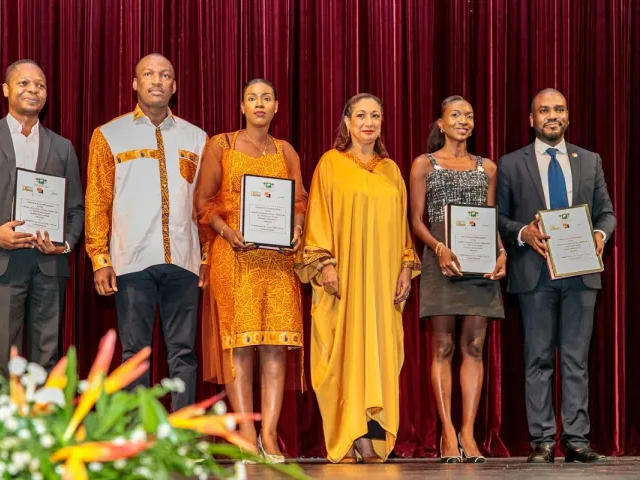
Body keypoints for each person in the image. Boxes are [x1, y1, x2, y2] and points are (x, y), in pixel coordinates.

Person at [296, 93, 420, 464]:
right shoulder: (330, 165)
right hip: (344, 281)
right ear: (347, 121)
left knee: (379, 354)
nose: (369, 122)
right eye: (361, 115)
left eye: (376, 116)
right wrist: (325, 263)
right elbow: (317, 216)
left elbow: (402, 228)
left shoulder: (391, 170)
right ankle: (347, 434)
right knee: (342, 351)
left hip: (381, 283)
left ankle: (369, 435)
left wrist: (405, 269)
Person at [496, 88, 615, 463]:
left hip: (581, 273)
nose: (552, 115)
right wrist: (522, 233)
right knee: (538, 359)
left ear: (568, 116)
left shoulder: (590, 160)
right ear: (532, 119)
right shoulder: (512, 164)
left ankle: (577, 439)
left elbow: (606, 213)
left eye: (559, 109)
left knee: (576, 360)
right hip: (535, 273)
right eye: (544, 110)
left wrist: (599, 234)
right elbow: (497, 216)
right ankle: (542, 441)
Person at [0, 59, 84, 383]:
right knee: (3, 359)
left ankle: (47, 431)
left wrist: (64, 244)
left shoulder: (62, 147)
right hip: (1, 262)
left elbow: (76, 210)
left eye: (39, 84)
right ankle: (5, 433)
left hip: (48, 265)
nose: (33, 90)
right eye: (24, 83)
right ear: (6, 89)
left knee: (48, 360)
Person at [84, 53, 207, 411]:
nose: (157, 80)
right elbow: (97, 200)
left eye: (165, 75)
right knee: (134, 354)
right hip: (131, 261)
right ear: (135, 83)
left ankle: (182, 437)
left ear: (175, 85)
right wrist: (99, 258)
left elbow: (206, 204)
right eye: (149, 74)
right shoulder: (109, 135)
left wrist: (207, 257)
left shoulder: (197, 138)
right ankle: (136, 441)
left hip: (184, 260)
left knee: (183, 352)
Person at [194, 79, 307, 463]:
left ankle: (270, 436)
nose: (260, 104)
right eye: (252, 98)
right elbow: (204, 204)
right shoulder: (220, 145)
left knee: (276, 345)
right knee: (240, 346)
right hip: (236, 257)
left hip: (278, 261)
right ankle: (246, 433)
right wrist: (228, 232)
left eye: (267, 98)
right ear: (241, 105)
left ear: (276, 107)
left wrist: (296, 229)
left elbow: (300, 200)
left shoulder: (285, 150)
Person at [409, 95, 506, 463]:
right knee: (443, 347)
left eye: (469, 115)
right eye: (455, 115)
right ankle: (447, 433)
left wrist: (501, 252)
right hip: (442, 260)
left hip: (480, 263)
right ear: (441, 123)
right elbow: (415, 219)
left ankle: (468, 431)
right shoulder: (425, 165)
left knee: (475, 347)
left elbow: (491, 217)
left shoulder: (488, 168)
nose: (463, 121)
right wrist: (438, 248)